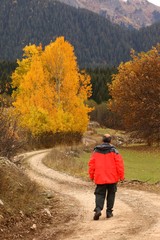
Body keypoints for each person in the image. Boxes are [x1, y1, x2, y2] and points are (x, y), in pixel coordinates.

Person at [88, 133, 124, 220]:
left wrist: (92, 176)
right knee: (111, 194)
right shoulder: (114, 151)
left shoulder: (96, 151)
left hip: (100, 177)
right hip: (112, 177)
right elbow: (119, 164)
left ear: (102, 140)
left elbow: (92, 165)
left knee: (99, 194)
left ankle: (98, 209)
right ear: (110, 140)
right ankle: (109, 213)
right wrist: (121, 176)